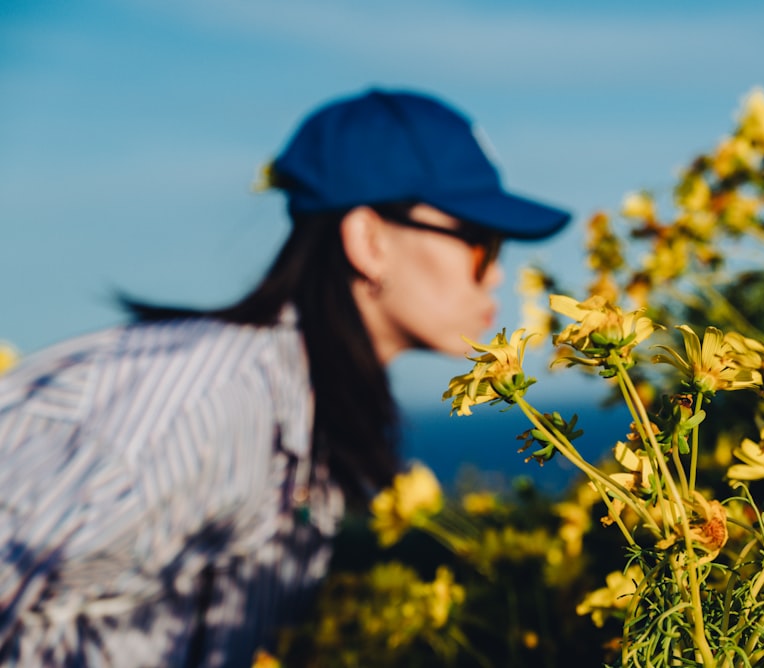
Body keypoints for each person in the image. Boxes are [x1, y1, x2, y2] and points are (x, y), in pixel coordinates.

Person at [0, 88, 570, 667]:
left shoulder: (303, 411)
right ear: (369, 242)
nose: (497, 274)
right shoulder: (203, 405)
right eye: (479, 241)